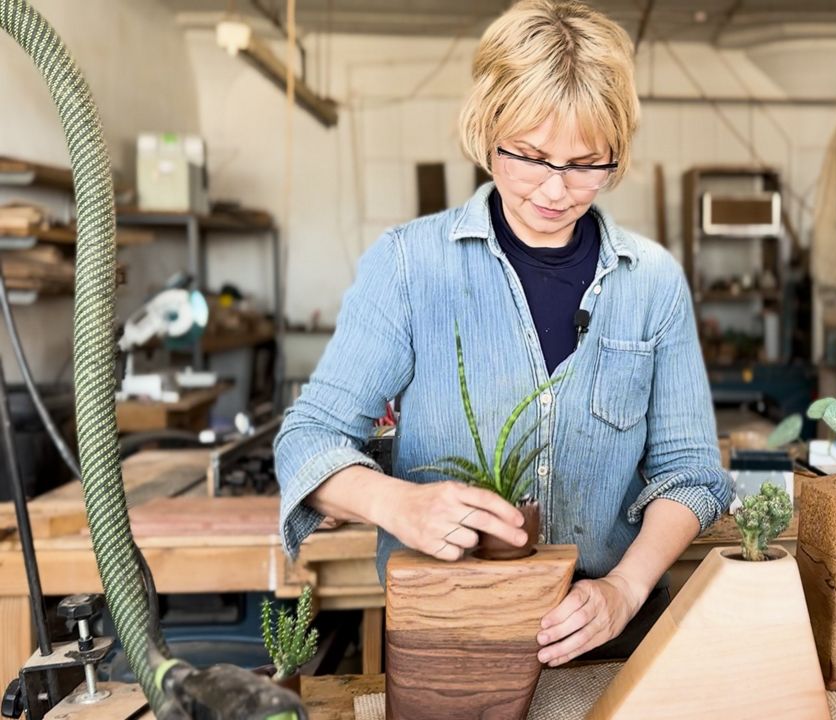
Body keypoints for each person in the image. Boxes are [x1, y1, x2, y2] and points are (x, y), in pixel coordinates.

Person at [274, 0, 731, 667]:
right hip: (447, 628)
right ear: (487, 130)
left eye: (586, 163)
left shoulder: (653, 282)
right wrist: (395, 503)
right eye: (531, 155)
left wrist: (623, 591)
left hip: (610, 633)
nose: (555, 189)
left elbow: (691, 473)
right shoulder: (409, 265)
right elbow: (307, 439)